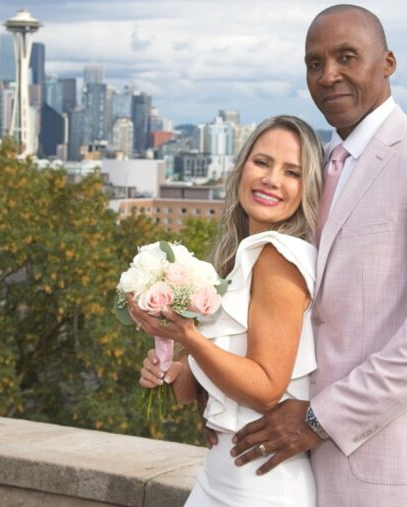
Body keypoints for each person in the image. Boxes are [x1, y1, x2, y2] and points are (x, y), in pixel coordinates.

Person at [229, 4, 407, 506]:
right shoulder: (312, 168)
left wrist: (319, 419)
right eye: (314, 63)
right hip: (298, 469)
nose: (329, 75)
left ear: (388, 62)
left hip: (391, 468)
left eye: (347, 57)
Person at [129, 114, 324, 506]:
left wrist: (188, 338)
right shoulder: (240, 258)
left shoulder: (278, 256)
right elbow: (194, 391)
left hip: (262, 483)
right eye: (262, 162)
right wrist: (170, 368)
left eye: (292, 172)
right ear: (240, 170)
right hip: (222, 476)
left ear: (308, 190)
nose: (271, 179)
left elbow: (267, 389)